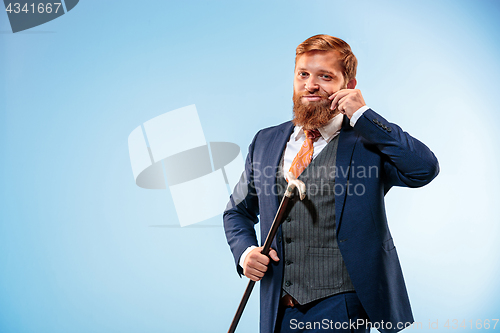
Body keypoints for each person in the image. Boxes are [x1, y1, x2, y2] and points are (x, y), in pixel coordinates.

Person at [223, 34, 439, 333]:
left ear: (348, 85)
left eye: (325, 76)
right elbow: (237, 211)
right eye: (303, 74)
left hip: (344, 308)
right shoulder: (265, 140)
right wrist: (246, 253)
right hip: (278, 310)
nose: (311, 84)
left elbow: (423, 169)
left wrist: (363, 115)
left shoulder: (367, 141)